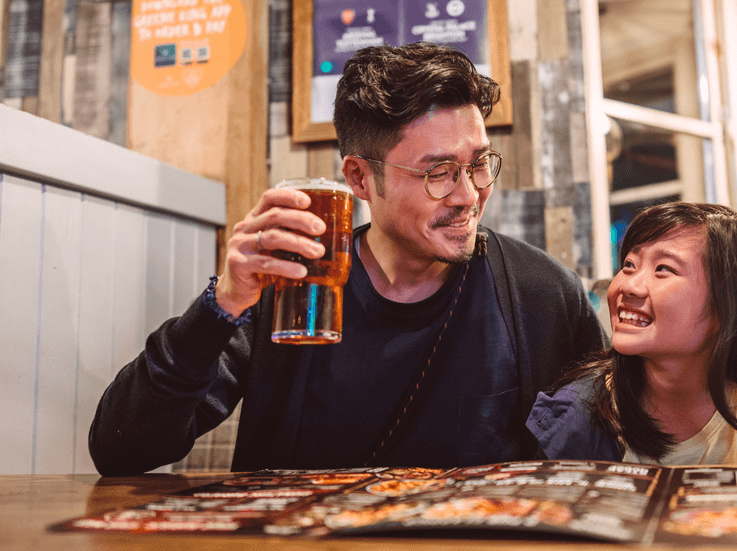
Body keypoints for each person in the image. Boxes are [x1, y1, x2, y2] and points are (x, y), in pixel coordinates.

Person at [89, 42, 605, 475]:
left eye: (478, 164)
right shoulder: (294, 288)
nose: (468, 194)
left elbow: (605, 451)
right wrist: (224, 301)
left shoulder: (540, 293)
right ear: (360, 178)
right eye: (439, 172)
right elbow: (121, 450)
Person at [527, 202, 737, 464]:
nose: (629, 285)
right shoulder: (575, 419)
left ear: (730, 305)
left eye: (662, 269)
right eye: (629, 265)